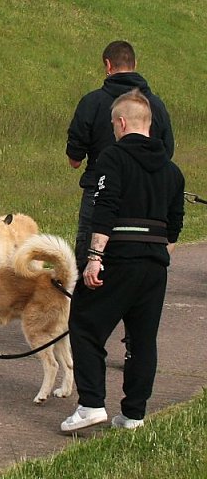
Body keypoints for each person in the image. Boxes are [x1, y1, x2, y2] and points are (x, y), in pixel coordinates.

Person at [61, 89, 184, 433]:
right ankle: (133, 414)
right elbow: (175, 225)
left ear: (122, 122)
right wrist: (157, 258)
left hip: (118, 257)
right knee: (142, 340)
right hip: (154, 264)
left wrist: (94, 258)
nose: (114, 130)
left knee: (85, 325)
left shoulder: (112, 158)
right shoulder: (172, 171)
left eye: (114, 125)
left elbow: (105, 208)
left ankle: (90, 405)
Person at [66, 40, 174, 265]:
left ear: (108, 65)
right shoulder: (156, 106)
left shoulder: (92, 102)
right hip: (145, 196)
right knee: (137, 262)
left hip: (99, 191)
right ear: (135, 64)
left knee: (88, 260)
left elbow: (74, 160)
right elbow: (167, 154)